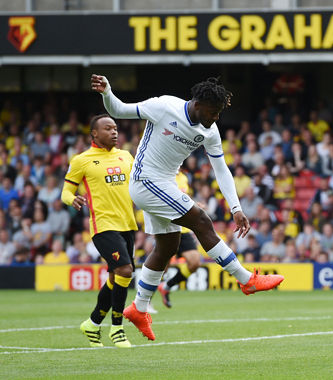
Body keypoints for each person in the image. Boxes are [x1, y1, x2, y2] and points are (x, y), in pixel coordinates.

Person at [92, 74, 284, 341]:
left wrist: (236, 207)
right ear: (198, 103)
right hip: (145, 180)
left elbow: (221, 169)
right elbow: (118, 110)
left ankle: (139, 308)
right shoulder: (164, 107)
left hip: (163, 183)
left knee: (168, 247)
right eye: (213, 112)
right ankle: (246, 279)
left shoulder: (210, 130)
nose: (216, 117)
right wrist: (107, 92)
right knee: (202, 221)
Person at [61, 114, 138, 348]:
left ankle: (93, 324)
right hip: (102, 225)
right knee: (125, 270)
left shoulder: (126, 156)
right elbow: (65, 191)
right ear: (94, 133)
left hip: (128, 224)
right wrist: (71, 200)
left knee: (116, 277)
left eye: (115, 128)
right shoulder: (81, 160)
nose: (114, 132)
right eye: (108, 128)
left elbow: (140, 183)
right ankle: (117, 328)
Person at [157, 170, 202, 308]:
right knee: (161, 267)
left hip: (184, 228)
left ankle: (167, 286)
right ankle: (144, 300)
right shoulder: (162, 174)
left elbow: (184, 197)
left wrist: (195, 205)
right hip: (168, 226)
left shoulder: (183, 177)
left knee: (194, 262)